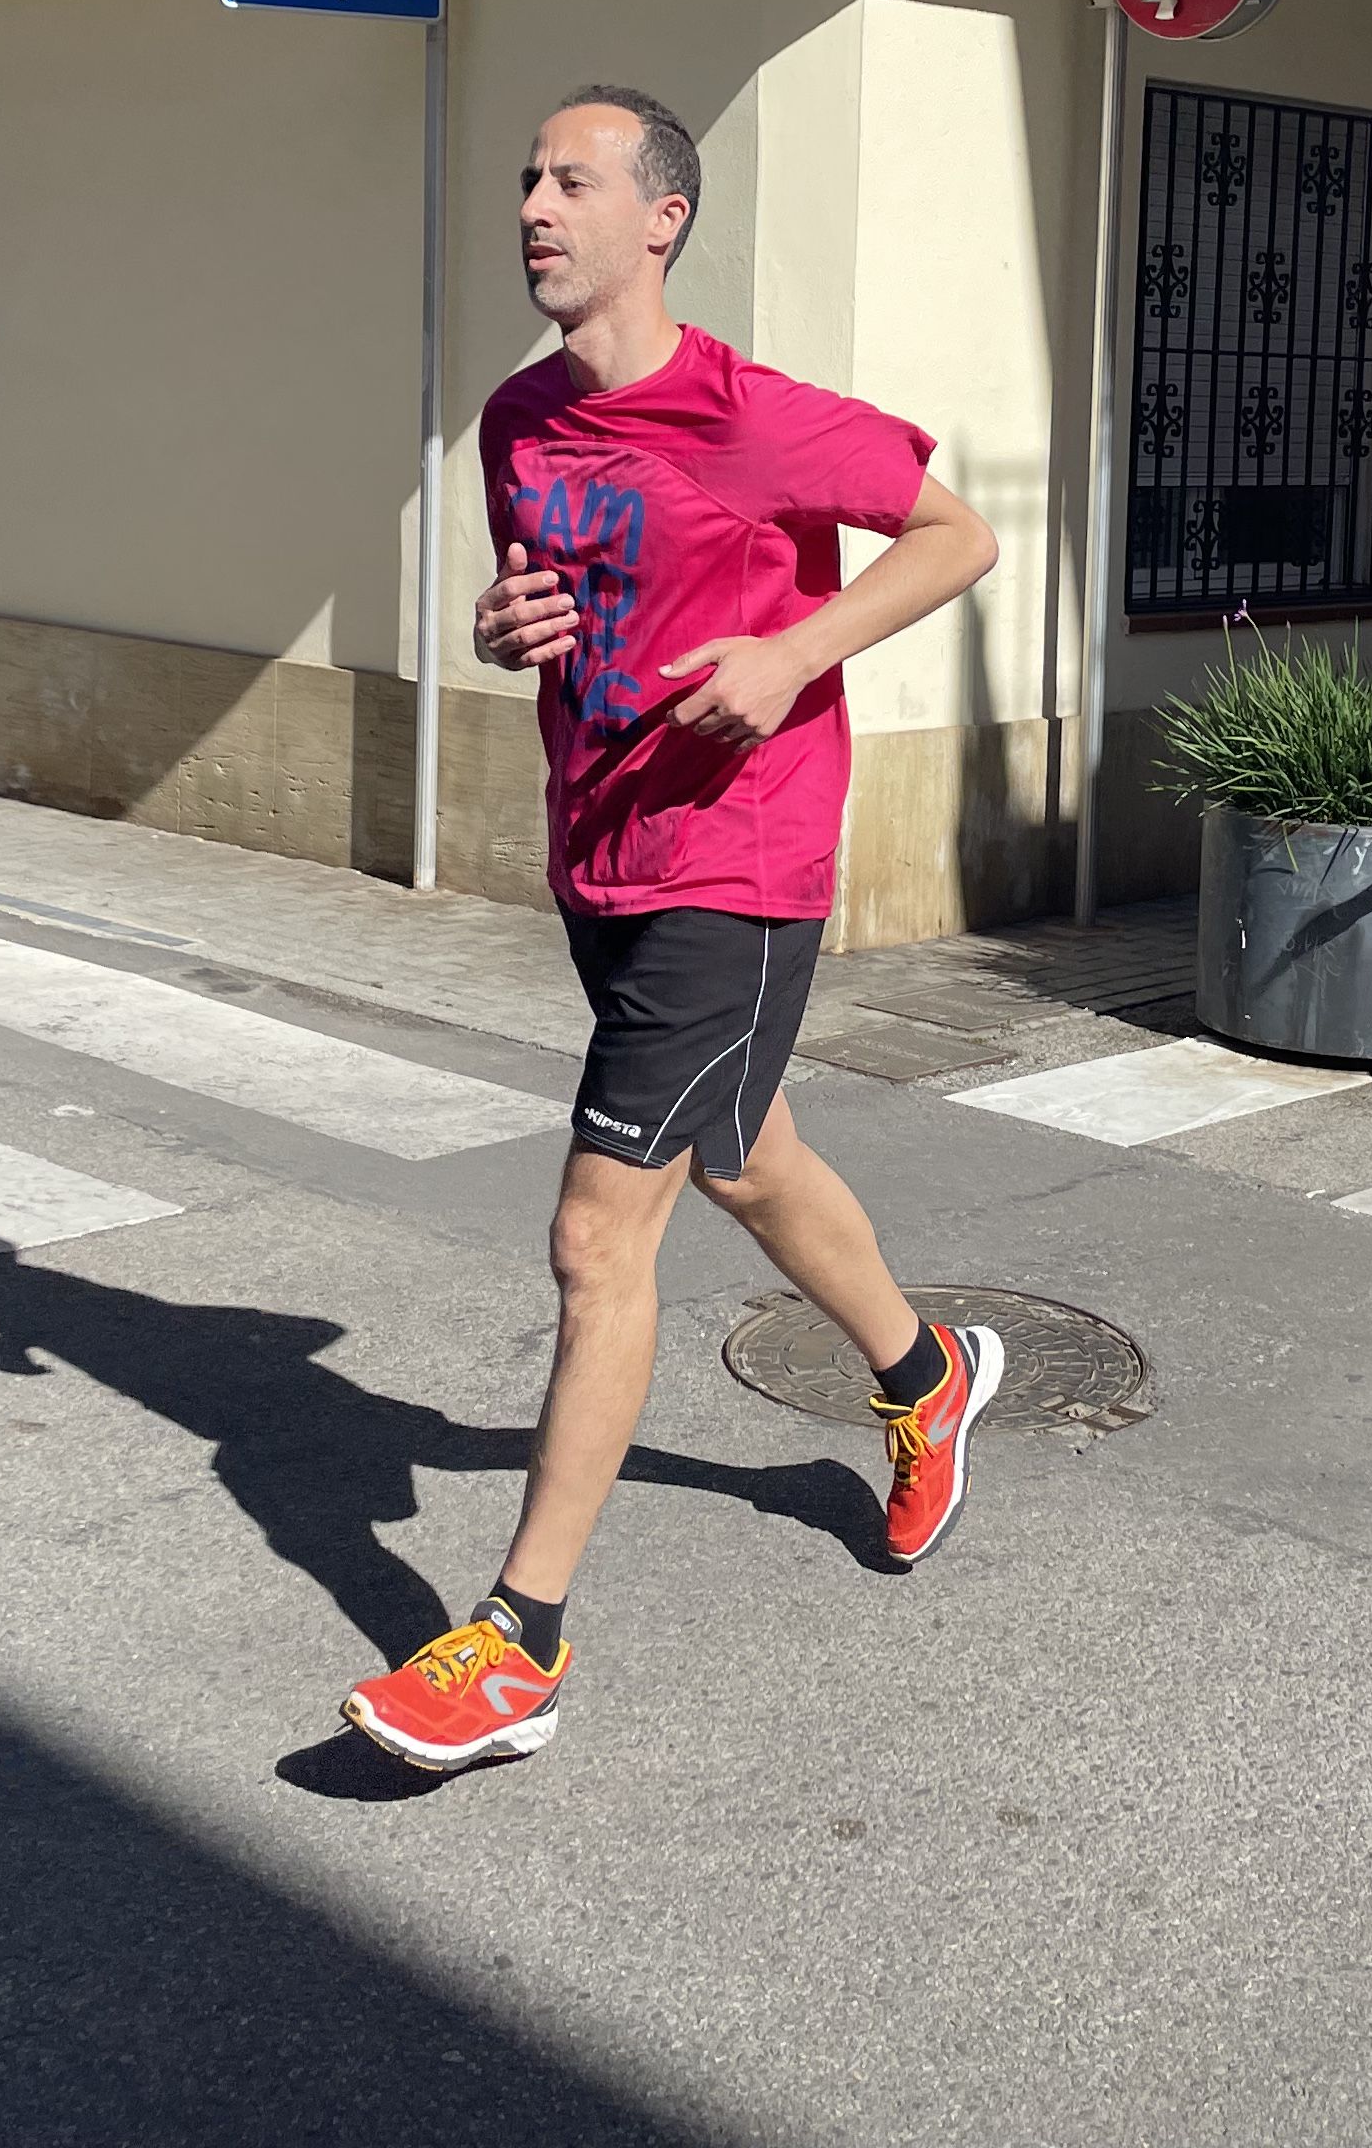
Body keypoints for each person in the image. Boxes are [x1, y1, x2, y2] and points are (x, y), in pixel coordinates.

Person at [338, 86, 1005, 1774]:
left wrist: (794, 653)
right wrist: (507, 624)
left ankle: (518, 1642)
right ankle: (924, 1371)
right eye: (526, 177)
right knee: (742, 1157)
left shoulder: (757, 416)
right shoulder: (515, 422)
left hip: (739, 858)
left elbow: (957, 529)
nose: (536, 206)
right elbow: (558, 607)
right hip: (604, 849)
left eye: (574, 179)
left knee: (594, 1234)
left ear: (662, 218)